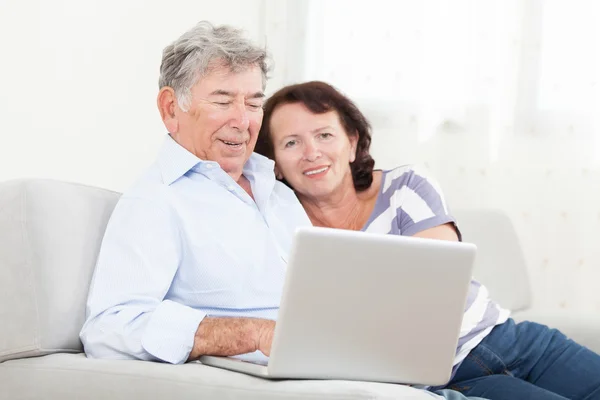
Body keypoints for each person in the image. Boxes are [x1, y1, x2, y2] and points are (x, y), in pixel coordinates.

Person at [80, 21, 487, 400]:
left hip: (372, 373)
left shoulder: (277, 191)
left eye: (254, 103)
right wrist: (253, 333)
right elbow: (109, 327)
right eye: (223, 101)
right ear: (171, 109)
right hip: (307, 387)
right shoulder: (156, 201)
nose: (243, 121)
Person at [254, 80, 600, 400]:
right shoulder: (282, 230)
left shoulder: (406, 186)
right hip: (446, 376)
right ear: (276, 166)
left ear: (352, 143)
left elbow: (439, 290)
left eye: (325, 135)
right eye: (291, 143)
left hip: (510, 339)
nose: (312, 152)